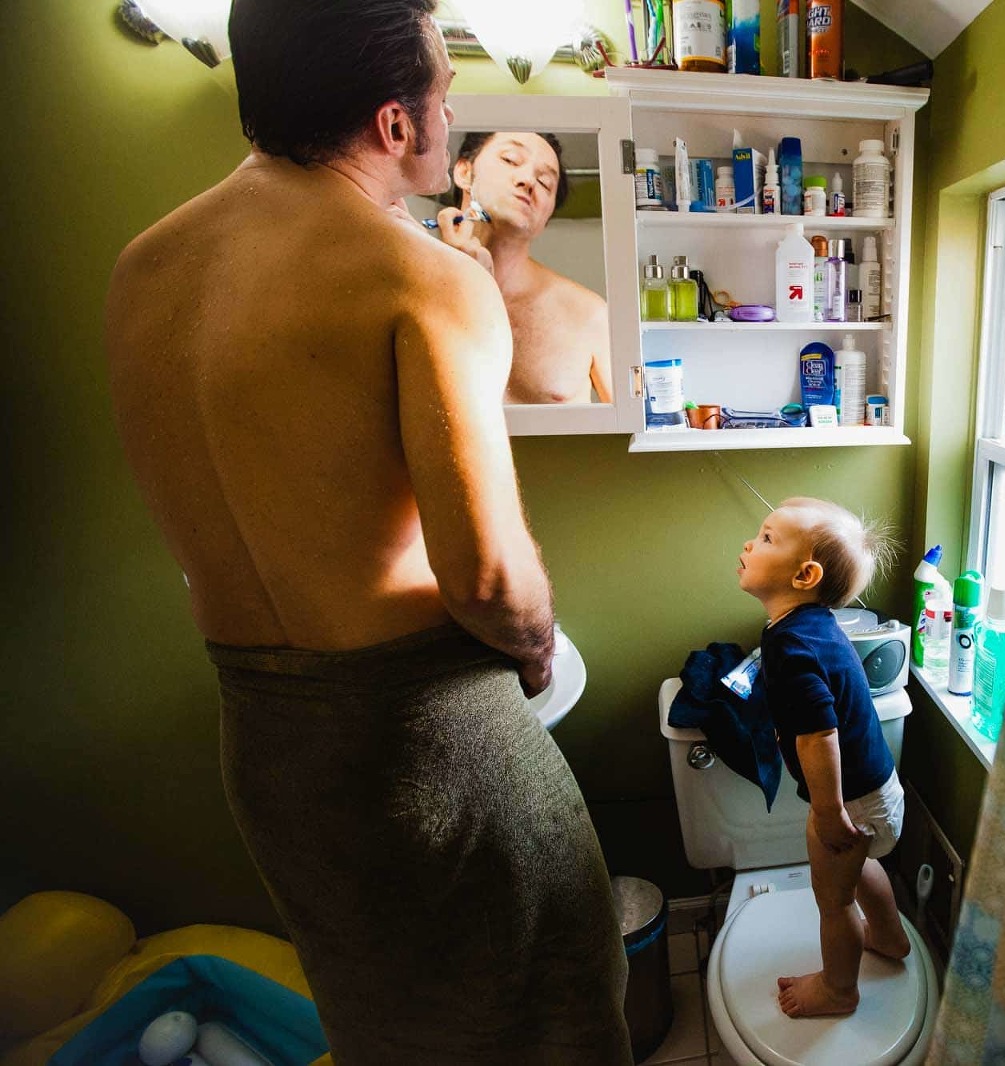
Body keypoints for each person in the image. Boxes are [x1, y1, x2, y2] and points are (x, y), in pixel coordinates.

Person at [102, 2, 629, 1062]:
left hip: (267, 748)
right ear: (396, 124)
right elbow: (487, 580)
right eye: (445, 97)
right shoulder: (421, 276)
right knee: (554, 1017)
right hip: (427, 747)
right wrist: (535, 645)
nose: (450, 116)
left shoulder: (143, 269)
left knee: (389, 1029)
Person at [735, 497, 911, 1018]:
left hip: (848, 801)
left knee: (834, 901)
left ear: (805, 575)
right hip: (876, 788)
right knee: (860, 865)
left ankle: (839, 989)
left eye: (767, 538)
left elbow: (819, 737)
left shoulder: (791, 647)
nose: (749, 543)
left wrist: (828, 812)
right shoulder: (812, 624)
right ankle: (890, 937)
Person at [436, 131, 614, 404]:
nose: (528, 180)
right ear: (464, 173)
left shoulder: (589, 314)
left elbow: (633, 422)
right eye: (510, 159)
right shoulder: (412, 288)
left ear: (547, 216)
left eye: (545, 183)